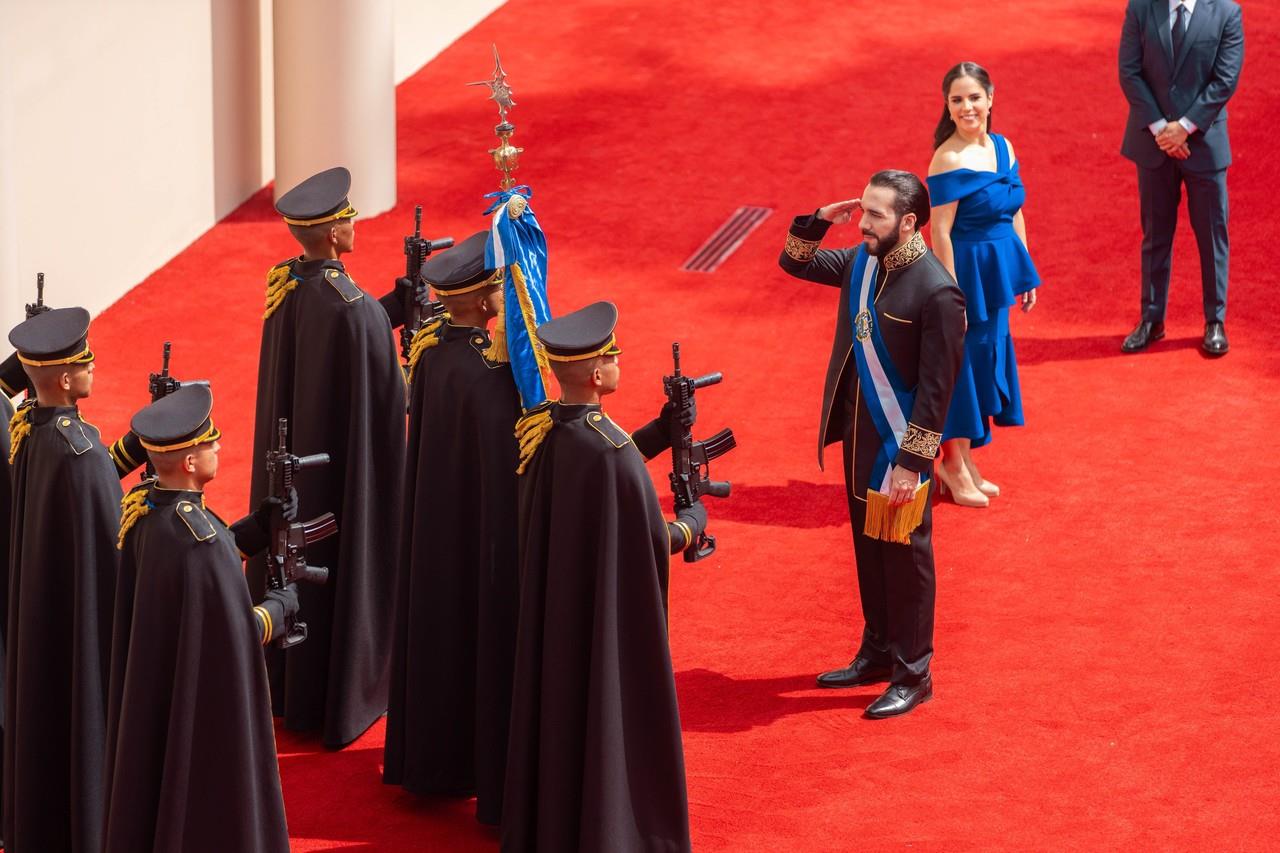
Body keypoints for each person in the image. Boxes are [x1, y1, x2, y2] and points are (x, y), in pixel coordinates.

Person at [502, 301, 707, 853]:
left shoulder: (544, 431)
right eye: (613, 357)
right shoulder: (612, 454)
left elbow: (595, 461)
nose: (619, 363)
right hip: (603, 625)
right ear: (596, 374)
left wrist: (661, 432)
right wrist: (690, 524)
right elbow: (646, 541)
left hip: (558, 613)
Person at [778, 171, 966, 718]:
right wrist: (818, 220)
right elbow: (795, 262)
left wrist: (912, 463)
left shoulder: (937, 290)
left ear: (909, 222)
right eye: (862, 210)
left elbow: (937, 391)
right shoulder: (863, 262)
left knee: (907, 559)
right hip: (858, 440)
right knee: (867, 549)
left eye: (875, 215)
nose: (862, 223)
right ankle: (878, 650)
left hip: (899, 452)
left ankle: (915, 672)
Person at [246, 166, 407, 748]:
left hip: (293, 468)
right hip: (338, 480)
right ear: (336, 232)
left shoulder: (286, 284)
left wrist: (387, 309)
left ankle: (288, 684)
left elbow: (328, 347)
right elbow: (386, 397)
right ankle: (342, 693)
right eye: (349, 217)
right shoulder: (352, 305)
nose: (354, 223)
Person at [104, 383, 299, 853]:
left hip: (157, 689)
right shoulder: (201, 539)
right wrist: (279, 607)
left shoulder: (145, 513)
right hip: (204, 713)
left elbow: (193, 575)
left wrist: (254, 529)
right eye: (209, 442)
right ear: (189, 462)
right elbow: (235, 633)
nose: (218, 446)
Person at [383, 232, 521, 826]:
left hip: (434, 524)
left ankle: (429, 760)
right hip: (476, 536)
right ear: (483, 299)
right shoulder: (489, 372)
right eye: (495, 283)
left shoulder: (434, 349)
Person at [3, 307, 145, 852]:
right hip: (82, 622)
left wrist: (134, 449)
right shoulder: (80, 451)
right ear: (64, 377)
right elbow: (113, 544)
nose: (93, 368)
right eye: (85, 361)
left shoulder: (30, 431)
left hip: (43, 611)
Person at [927, 61, 1041, 506]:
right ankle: (952, 466)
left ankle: (967, 460)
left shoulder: (1003, 147)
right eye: (957, 99)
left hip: (997, 274)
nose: (967, 106)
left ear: (991, 99)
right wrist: (951, 293)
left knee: (985, 361)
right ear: (948, 107)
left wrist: (1024, 268)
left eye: (974, 97)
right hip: (967, 274)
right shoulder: (947, 157)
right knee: (961, 369)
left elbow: (1014, 210)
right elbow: (939, 232)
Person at [1118, 0, 1244, 356]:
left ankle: (1214, 320)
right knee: (1155, 234)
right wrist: (1162, 130)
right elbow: (1129, 71)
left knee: (1211, 233)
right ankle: (1152, 319)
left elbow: (1225, 79)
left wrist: (1184, 128)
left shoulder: (1226, 12)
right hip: (1153, 141)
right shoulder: (1141, 8)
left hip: (1203, 144)